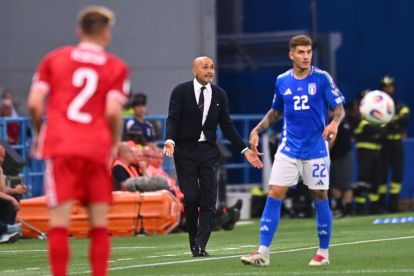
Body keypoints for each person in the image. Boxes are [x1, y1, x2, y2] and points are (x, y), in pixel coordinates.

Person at [27, 6, 129, 276]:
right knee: (98, 225)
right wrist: (114, 143)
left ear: (79, 31)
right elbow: (112, 111)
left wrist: (40, 134)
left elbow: (35, 104)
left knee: (59, 223)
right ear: (106, 34)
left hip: (61, 146)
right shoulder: (116, 67)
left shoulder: (54, 59)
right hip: (95, 147)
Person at [240, 35, 345, 267]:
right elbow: (276, 111)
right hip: (288, 149)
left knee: (320, 197)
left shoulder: (322, 78)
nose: (306, 56)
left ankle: (323, 253)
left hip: (316, 150)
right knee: (274, 193)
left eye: (309, 52)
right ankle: (263, 253)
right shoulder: (282, 80)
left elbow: (338, 108)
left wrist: (335, 123)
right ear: (291, 54)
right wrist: (257, 130)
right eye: (301, 52)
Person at [163, 56, 263, 257]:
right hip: (184, 151)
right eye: (204, 67)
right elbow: (173, 119)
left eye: (211, 67)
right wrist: (170, 140)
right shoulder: (180, 91)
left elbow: (227, 125)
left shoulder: (220, 94)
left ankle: (201, 243)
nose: (209, 71)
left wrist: (244, 150)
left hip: (208, 151)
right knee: (191, 197)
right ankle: (193, 238)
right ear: (194, 71)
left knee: (209, 199)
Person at [378, 76, 410, 212]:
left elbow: (406, 118)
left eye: (390, 86)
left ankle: (393, 204)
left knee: (397, 173)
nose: (388, 89)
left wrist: (389, 123)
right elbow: (376, 125)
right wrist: (393, 123)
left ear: (394, 88)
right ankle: (380, 205)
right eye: (385, 87)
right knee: (381, 174)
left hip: (396, 143)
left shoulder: (399, 105)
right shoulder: (376, 106)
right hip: (383, 144)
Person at [328, 108, 353, 217]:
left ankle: (348, 209)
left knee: (345, 184)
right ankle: (339, 207)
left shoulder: (338, 122)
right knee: (333, 184)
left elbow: (332, 139)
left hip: (343, 156)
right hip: (334, 157)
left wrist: (324, 151)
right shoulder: (333, 121)